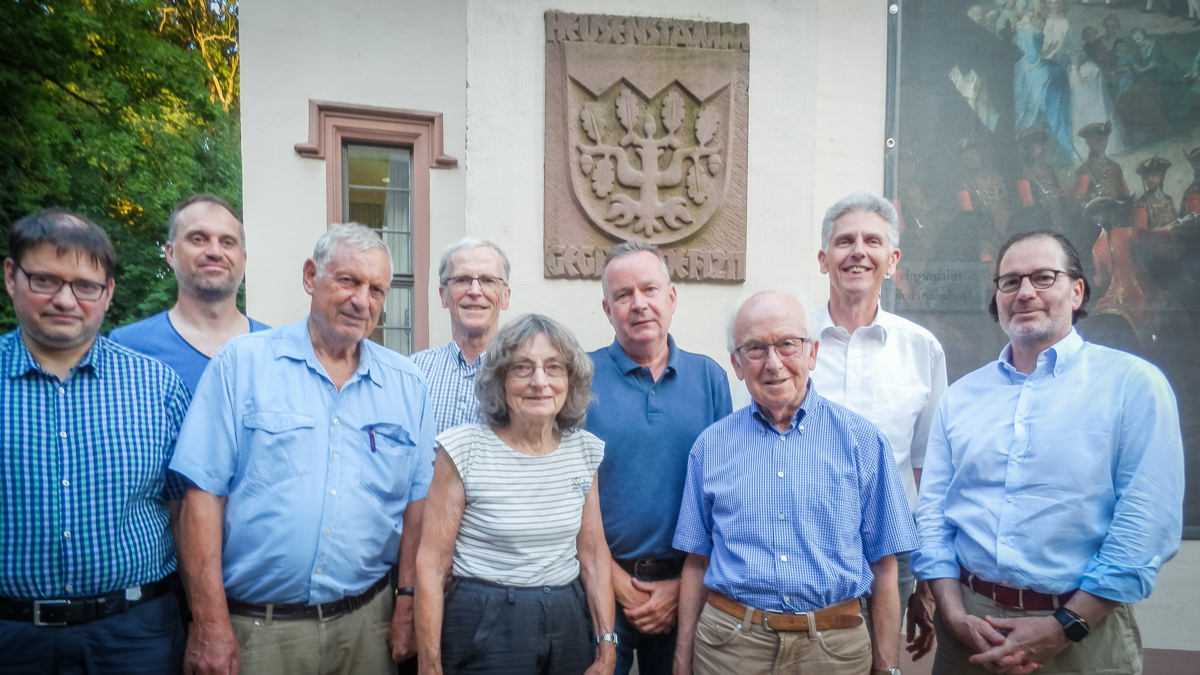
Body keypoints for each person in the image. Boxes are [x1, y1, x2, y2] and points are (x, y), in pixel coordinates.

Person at [913, 231, 1183, 674]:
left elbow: (1147, 522)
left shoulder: (1133, 385)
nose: (1024, 293)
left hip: (1084, 636)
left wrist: (1067, 625)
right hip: (969, 631)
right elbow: (934, 516)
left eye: (1043, 277)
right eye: (1010, 281)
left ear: (1077, 291)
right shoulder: (961, 397)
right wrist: (953, 612)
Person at [170, 223, 435, 674]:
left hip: (367, 625)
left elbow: (417, 504)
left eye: (376, 290)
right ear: (312, 277)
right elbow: (201, 500)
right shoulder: (242, 365)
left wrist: (406, 603)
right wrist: (210, 623)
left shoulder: (408, 385)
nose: (361, 300)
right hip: (258, 631)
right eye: (348, 280)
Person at [672, 290, 917, 675]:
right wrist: (681, 660)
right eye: (755, 349)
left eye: (787, 345)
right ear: (737, 364)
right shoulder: (710, 447)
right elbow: (697, 562)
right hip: (730, 649)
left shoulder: (863, 442)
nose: (773, 363)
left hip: (835, 649)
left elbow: (885, 567)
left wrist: (887, 668)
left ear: (812, 353)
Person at [0, 209, 191, 672]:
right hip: (11, 636)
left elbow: (185, 512)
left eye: (85, 286)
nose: (66, 300)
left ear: (107, 293)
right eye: (45, 280)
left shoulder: (158, 387)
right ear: (11, 276)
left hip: (135, 635)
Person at [415, 313, 615, 675]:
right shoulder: (463, 449)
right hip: (484, 624)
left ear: (570, 380)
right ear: (500, 380)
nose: (540, 382)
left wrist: (607, 644)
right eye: (523, 368)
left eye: (553, 368)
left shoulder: (584, 451)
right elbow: (432, 564)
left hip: (568, 621)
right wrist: (429, 664)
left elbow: (594, 554)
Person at [811, 193, 948, 662]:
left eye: (873, 241)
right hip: (810, 544)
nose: (858, 252)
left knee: (881, 665)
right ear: (823, 258)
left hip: (897, 550)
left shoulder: (921, 349)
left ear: (892, 262)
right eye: (844, 241)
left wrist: (928, 576)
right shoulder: (790, 344)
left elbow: (930, 468)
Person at [585, 241, 731, 675]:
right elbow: (567, 494)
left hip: (689, 586)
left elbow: (726, 496)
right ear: (607, 309)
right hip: (601, 587)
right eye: (623, 295)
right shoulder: (578, 378)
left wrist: (680, 586)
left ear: (671, 297)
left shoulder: (710, 379)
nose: (638, 304)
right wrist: (619, 586)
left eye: (649, 290)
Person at [110, 194, 268, 392]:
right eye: (198, 239)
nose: (215, 252)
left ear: (243, 259)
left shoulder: (278, 350)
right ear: (170, 253)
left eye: (227, 242)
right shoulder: (126, 349)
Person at [412, 237, 511, 434]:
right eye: (462, 280)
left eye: (487, 280)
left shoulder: (526, 375)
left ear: (505, 297)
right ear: (443, 295)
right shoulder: (414, 374)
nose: (475, 291)